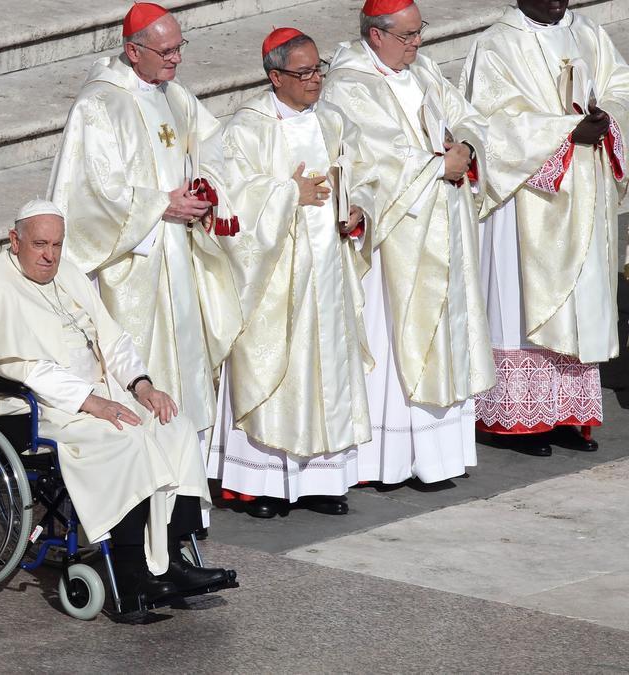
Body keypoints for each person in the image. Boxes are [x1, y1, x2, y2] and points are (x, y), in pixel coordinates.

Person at [0, 200, 232, 606]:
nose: (50, 255)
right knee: (127, 441)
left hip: (101, 395)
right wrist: (90, 402)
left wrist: (141, 385)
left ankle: (174, 559)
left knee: (176, 427)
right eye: (40, 244)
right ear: (15, 240)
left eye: (57, 245)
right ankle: (133, 572)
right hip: (42, 408)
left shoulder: (65, 273)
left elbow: (112, 337)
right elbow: (26, 370)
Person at [320, 0, 495, 485]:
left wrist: (466, 147)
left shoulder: (425, 69)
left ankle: (439, 457)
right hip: (397, 239)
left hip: (444, 222)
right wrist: (438, 166)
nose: (418, 43)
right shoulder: (349, 85)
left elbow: (469, 116)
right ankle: (387, 460)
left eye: (420, 32)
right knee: (395, 336)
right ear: (376, 36)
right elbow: (370, 156)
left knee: (443, 330)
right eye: (408, 36)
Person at [48, 2, 240, 436]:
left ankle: (190, 482)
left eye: (179, 47)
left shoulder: (173, 94)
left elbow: (209, 138)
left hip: (178, 254)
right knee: (144, 363)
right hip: (132, 263)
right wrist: (160, 205)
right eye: (166, 51)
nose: (176, 58)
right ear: (134, 52)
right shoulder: (98, 105)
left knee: (185, 363)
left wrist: (203, 184)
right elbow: (89, 193)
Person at [210, 28, 374, 518]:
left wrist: (359, 208)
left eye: (318, 69)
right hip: (275, 275)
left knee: (327, 367)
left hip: (329, 268)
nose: (315, 81)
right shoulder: (247, 127)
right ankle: (259, 483)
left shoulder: (333, 119)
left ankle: (324, 479)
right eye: (303, 73)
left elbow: (363, 173)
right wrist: (286, 194)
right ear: (275, 77)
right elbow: (231, 197)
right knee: (275, 367)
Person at [460, 0, 629, 456]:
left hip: (586, 189)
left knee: (582, 296)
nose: (558, 3)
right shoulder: (496, 44)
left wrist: (607, 120)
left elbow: (621, 86)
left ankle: (564, 414)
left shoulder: (589, 31)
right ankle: (518, 418)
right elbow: (489, 123)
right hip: (529, 199)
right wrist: (567, 132)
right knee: (521, 300)